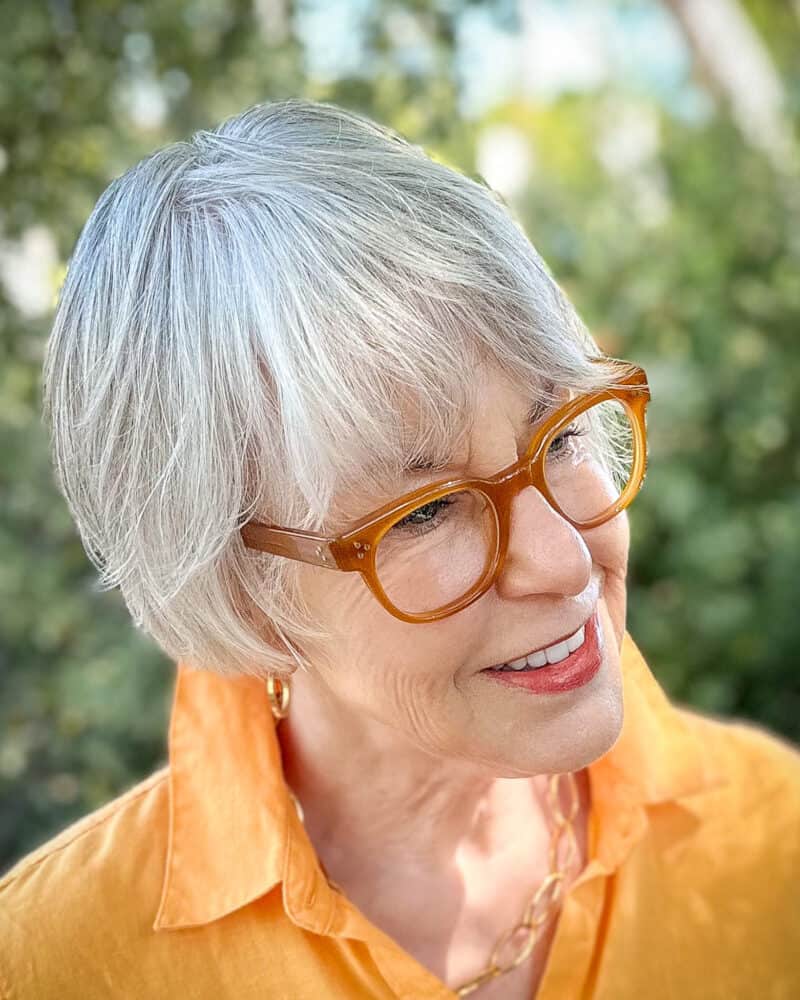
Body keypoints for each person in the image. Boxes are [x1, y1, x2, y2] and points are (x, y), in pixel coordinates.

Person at [1, 97, 798, 1000]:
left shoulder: (775, 843)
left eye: (562, 436)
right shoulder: (54, 965)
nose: (567, 562)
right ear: (242, 589)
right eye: (425, 512)